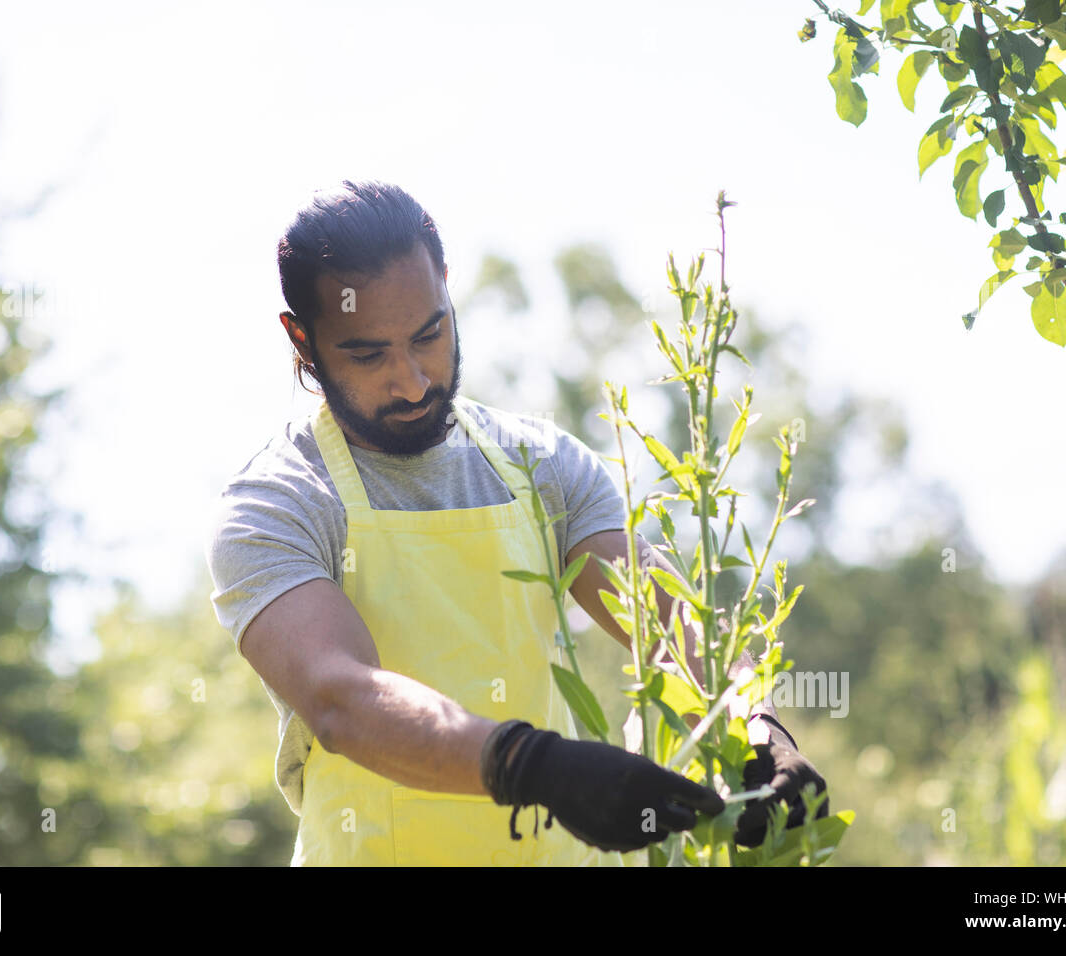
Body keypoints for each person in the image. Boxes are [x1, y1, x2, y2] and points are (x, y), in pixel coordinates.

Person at [204, 178, 827, 866]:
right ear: (302, 338)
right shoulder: (276, 503)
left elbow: (669, 628)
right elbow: (340, 698)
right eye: (368, 353)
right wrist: (537, 769)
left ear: (445, 286)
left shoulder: (543, 464)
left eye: (429, 334)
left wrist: (754, 722)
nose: (412, 381)